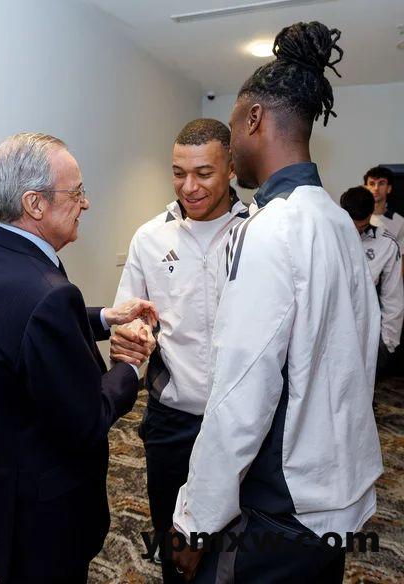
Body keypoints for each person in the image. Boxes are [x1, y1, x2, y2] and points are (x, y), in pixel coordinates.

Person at [172, 22, 383, 583]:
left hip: (282, 506)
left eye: (233, 128)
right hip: (338, 489)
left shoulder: (270, 229)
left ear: (254, 119)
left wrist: (195, 520)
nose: (232, 146)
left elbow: (240, 393)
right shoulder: (335, 220)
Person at [0, 133, 157, 584]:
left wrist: (106, 317)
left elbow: (23, 329)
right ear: (35, 203)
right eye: (76, 192)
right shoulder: (47, 295)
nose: (86, 203)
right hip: (45, 515)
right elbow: (88, 418)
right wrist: (131, 365)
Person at [111, 119, 248, 582]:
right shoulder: (150, 238)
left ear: (231, 167)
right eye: (178, 172)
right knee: (173, 544)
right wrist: (133, 334)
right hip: (173, 421)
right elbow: (130, 315)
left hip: (245, 422)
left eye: (204, 173)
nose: (189, 187)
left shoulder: (258, 233)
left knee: (238, 547)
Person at [340, 185, 403, 376]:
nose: (356, 232)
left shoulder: (386, 243)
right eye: (351, 226)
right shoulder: (328, 237)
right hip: (332, 332)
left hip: (367, 335)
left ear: (370, 215)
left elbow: (393, 296)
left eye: (361, 227)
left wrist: (388, 342)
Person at [364, 166, 404, 260]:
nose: (376, 188)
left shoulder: (399, 221)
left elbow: (401, 257)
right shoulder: (357, 218)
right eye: (372, 183)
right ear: (366, 188)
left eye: (381, 183)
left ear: (389, 188)